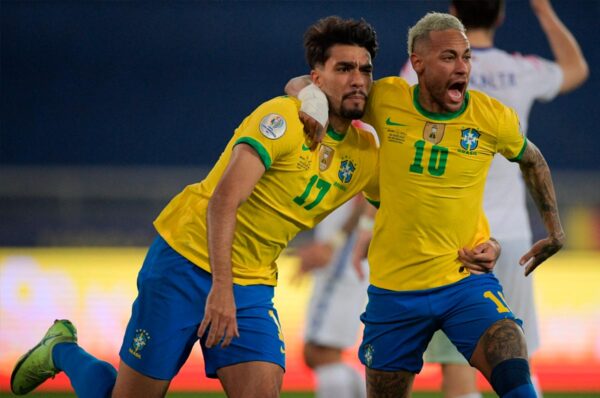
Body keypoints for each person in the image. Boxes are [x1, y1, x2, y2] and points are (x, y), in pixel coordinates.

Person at [10, 16, 383, 398]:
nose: (357, 79)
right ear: (317, 78)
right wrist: (221, 287)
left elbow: (404, 206)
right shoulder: (284, 119)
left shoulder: (366, 154)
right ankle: (61, 350)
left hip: (251, 282)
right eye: (344, 68)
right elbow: (223, 201)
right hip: (186, 261)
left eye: (365, 70)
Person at [291, 12, 565, 398]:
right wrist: (313, 103)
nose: (463, 67)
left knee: (511, 355)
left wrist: (555, 232)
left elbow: (532, 159)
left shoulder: (491, 116)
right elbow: (304, 82)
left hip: (463, 281)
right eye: (449, 57)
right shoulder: (385, 98)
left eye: (466, 57)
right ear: (417, 63)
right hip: (395, 291)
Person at [398, 1, 588, 397]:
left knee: (458, 369)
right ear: (500, 16)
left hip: (454, 239)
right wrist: (544, 11)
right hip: (517, 240)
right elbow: (576, 69)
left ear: (453, 11)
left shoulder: (427, 67)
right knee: (515, 364)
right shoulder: (520, 69)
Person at [294, 196, 369, 398]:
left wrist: (334, 243)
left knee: (321, 353)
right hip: (342, 259)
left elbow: (369, 197)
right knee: (319, 354)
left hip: (343, 261)